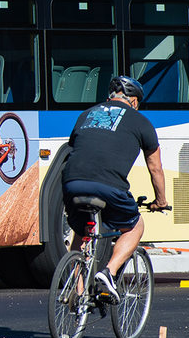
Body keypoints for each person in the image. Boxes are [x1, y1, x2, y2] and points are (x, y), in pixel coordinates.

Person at [61, 75, 169, 300]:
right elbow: (155, 168)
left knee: (81, 234)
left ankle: (78, 293)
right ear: (135, 101)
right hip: (108, 186)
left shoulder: (86, 115)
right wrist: (161, 201)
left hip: (72, 182)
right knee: (134, 226)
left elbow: (75, 147)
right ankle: (108, 273)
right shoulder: (141, 121)